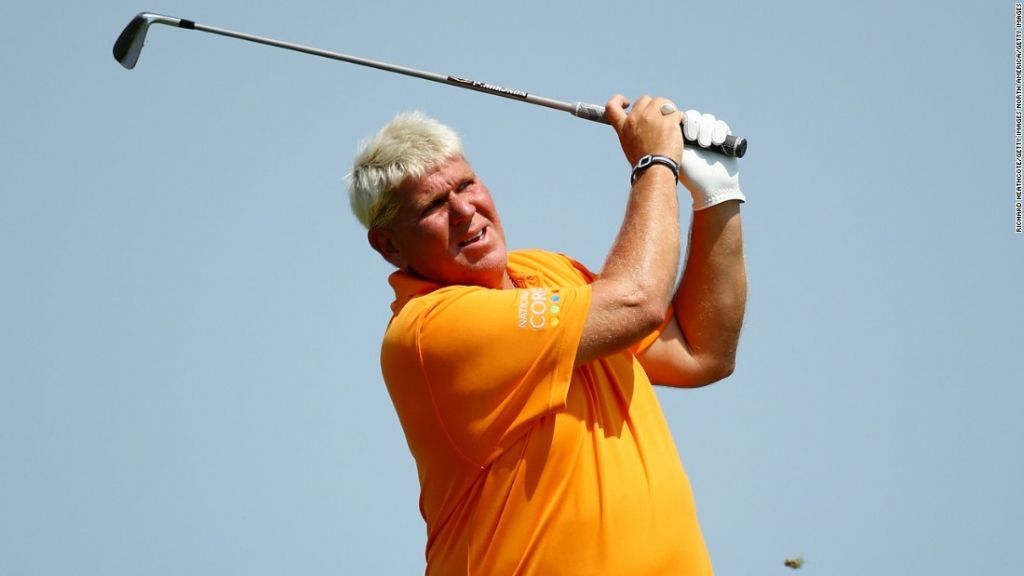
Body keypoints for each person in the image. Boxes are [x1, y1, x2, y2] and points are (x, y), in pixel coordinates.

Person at [346, 94, 747, 575]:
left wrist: (717, 197)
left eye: (466, 184)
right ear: (388, 245)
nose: (464, 211)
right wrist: (655, 162)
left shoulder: (547, 269)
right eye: (433, 205)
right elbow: (636, 302)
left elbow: (702, 353)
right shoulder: (430, 329)